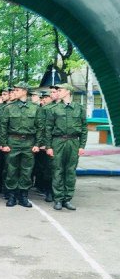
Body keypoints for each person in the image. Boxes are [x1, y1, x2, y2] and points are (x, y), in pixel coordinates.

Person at [0, 82, 42, 208]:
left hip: (29, 142)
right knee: (11, 170)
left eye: (17, 90)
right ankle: (11, 196)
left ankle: (23, 196)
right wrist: (4, 143)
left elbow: (40, 127)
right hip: (13, 142)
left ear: (24, 91)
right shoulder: (9, 108)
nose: (14, 92)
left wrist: (37, 144)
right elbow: (3, 127)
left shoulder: (35, 108)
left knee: (27, 170)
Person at [45, 83, 87, 211]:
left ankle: (67, 199)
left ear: (68, 91)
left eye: (60, 90)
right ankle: (58, 199)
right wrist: (49, 146)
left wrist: (82, 145)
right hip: (58, 141)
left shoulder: (79, 108)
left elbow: (84, 128)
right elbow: (48, 129)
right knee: (57, 170)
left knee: (70, 171)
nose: (58, 92)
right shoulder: (54, 109)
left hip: (73, 142)